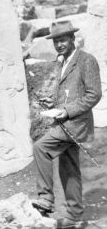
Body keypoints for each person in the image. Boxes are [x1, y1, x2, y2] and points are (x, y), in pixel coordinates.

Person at [32, 20, 102, 228]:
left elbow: (94, 94)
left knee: (41, 148)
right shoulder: (62, 61)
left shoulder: (86, 60)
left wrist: (67, 111)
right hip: (64, 123)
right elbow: (68, 92)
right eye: (56, 42)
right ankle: (74, 214)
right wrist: (52, 103)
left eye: (63, 40)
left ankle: (45, 199)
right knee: (68, 169)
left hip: (76, 124)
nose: (59, 45)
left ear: (73, 39)